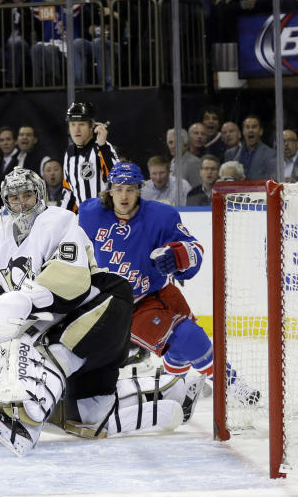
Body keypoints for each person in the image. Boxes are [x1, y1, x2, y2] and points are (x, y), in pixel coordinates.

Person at [0, 168, 199, 456]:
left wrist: (23, 302)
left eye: (27, 195)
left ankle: (27, 413)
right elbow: (8, 299)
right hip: (70, 336)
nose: (21, 203)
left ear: (39, 195)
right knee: (92, 412)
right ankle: (175, 391)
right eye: (14, 198)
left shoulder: (59, 222)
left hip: (100, 314)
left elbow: (70, 282)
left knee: (44, 347)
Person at [78, 162, 259, 406]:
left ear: (139, 190)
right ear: (110, 190)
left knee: (182, 347)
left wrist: (177, 257)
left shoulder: (161, 216)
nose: (124, 195)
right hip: (123, 305)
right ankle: (231, 385)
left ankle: (175, 391)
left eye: (130, 189)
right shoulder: (91, 214)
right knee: (188, 336)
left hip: (161, 291)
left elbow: (195, 249)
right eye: (118, 189)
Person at [62, 101, 117, 208]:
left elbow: (116, 180)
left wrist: (102, 145)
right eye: (73, 124)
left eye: (82, 124)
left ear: (92, 125)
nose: (76, 129)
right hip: (83, 219)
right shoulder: (68, 154)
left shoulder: (103, 147)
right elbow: (68, 191)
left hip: (105, 215)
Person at [225, 115, 275, 180]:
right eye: (247, 127)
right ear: (243, 131)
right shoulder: (230, 154)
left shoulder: (271, 155)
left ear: (261, 131)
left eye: (254, 127)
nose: (250, 130)